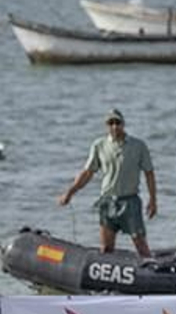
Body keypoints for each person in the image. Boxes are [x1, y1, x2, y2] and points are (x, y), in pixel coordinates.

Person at [58, 108, 158, 256]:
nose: (114, 126)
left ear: (123, 124)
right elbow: (87, 173)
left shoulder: (138, 146)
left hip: (130, 202)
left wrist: (153, 200)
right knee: (106, 249)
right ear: (107, 126)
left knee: (141, 246)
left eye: (117, 122)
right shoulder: (99, 146)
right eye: (111, 123)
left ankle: (151, 272)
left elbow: (149, 173)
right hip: (108, 202)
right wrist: (70, 193)